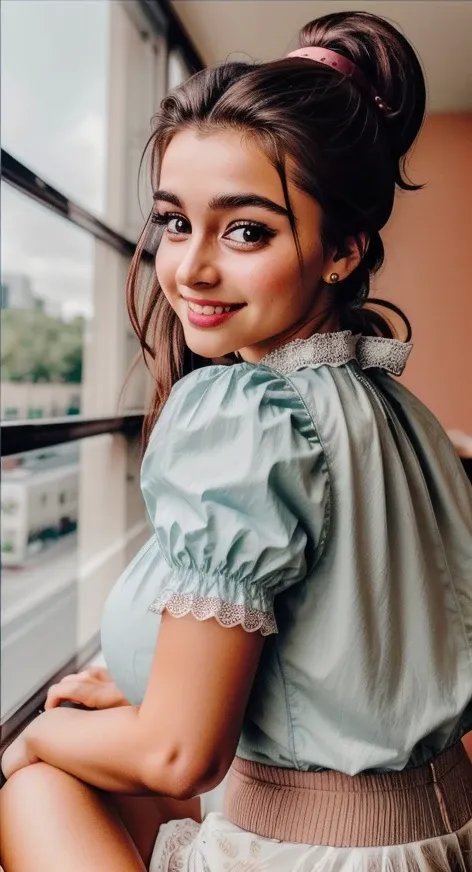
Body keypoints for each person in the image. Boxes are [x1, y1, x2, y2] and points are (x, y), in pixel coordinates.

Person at [1, 10, 471, 872]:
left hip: (309, 855)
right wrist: (142, 683)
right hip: (433, 836)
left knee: (34, 788)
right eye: (176, 222)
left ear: (342, 250)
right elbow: (342, 660)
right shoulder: (402, 415)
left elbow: (183, 756)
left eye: (246, 229)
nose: (190, 268)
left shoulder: (245, 410)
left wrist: (39, 737)